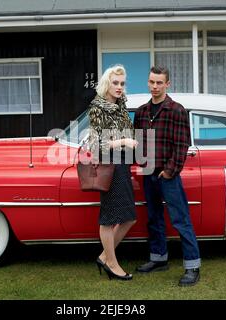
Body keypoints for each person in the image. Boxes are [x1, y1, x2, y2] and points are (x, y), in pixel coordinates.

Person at [134, 66, 201, 286]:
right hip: (148, 172)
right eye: (152, 82)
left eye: (159, 83)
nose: (155, 87)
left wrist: (169, 171)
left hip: (168, 174)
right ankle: (158, 258)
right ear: (148, 82)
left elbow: (182, 145)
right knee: (153, 218)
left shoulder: (176, 110)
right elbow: (139, 142)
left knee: (180, 219)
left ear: (167, 84)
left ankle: (192, 266)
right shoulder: (142, 112)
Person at [86, 64, 138, 280]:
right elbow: (95, 145)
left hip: (123, 165)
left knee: (129, 217)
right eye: (115, 83)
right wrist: (123, 141)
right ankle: (112, 264)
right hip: (109, 166)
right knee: (108, 218)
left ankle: (104, 256)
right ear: (107, 83)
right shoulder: (97, 107)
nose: (119, 87)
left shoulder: (121, 105)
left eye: (122, 83)